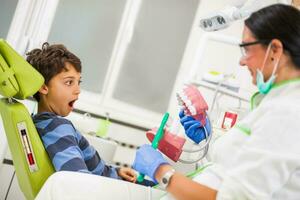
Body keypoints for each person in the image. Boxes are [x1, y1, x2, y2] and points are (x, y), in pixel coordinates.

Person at [133, 4, 300, 199]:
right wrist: (207, 138)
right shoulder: (276, 104)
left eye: (246, 49)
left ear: (275, 50)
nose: (242, 61)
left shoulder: (288, 112)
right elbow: (232, 167)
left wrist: (161, 171)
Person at [27, 43, 138, 183]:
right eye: (69, 82)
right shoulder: (57, 127)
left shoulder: (42, 122)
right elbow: (78, 180)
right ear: (43, 87)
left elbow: (90, 168)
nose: (78, 90)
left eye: (78, 82)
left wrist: (116, 172)